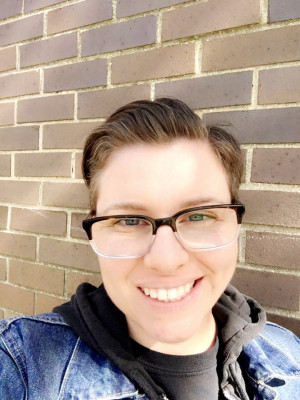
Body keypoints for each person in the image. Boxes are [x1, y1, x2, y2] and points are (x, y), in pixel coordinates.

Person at [0, 98, 299, 400]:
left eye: (198, 216)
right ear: (93, 235)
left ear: (236, 225)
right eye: (129, 221)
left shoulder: (290, 356)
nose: (166, 260)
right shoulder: (21, 365)